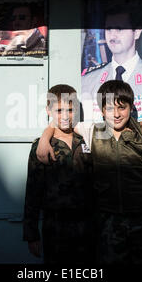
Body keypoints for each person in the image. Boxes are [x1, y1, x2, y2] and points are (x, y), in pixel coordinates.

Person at [36, 80, 142, 264]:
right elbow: (61, 124)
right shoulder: (92, 131)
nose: (116, 114)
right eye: (109, 109)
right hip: (108, 224)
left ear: (131, 108)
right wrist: (45, 138)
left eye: (121, 108)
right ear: (101, 110)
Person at [23, 84, 95, 264]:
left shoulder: (86, 139)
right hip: (55, 228)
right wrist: (31, 234)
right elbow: (32, 192)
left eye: (70, 110)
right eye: (59, 110)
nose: (65, 116)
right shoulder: (42, 147)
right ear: (48, 110)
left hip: (88, 226)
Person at [81, 4, 142, 107]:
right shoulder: (89, 79)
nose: (112, 36)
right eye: (108, 29)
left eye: (119, 29)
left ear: (137, 33)